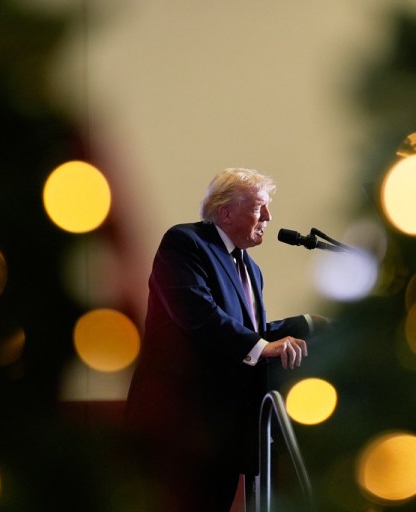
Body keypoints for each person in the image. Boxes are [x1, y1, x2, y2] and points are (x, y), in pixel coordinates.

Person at [124, 168, 326, 511]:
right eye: (259, 207)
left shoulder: (251, 268)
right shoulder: (186, 243)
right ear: (226, 212)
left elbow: (245, 330)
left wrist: (306, 324)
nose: (268, 217)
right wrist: (263, 346)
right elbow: (198, 313)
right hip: (182, 426)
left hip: (225, 431)